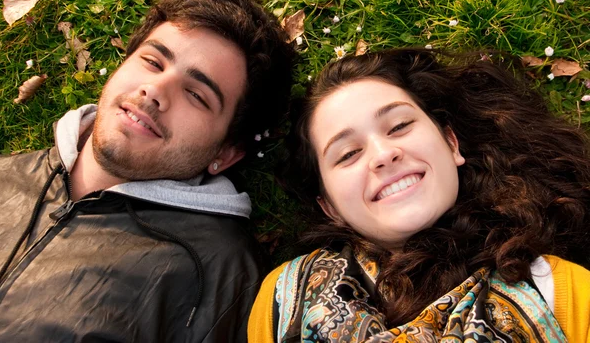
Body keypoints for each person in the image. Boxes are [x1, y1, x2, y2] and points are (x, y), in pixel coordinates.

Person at [0, 0, 294, 342]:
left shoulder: (216, 278)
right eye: (152, 61)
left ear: (225, 153)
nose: (155, 90)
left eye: (196, 95)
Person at [248, 48, 590, 342]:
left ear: (451, 144)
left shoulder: (567, 296)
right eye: (348, 153)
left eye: (399, 126)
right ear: (330, 207)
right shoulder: (282, 302)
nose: (383, 154)